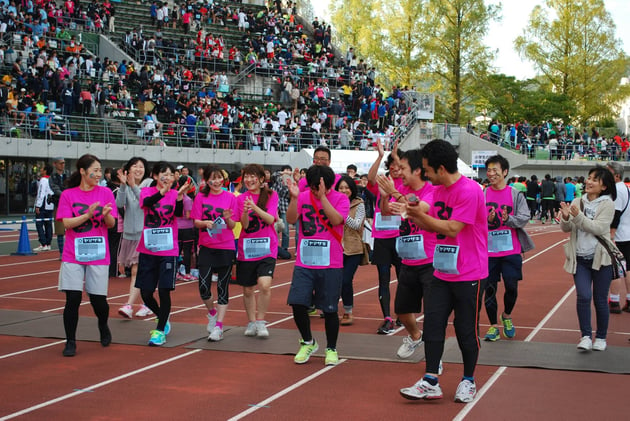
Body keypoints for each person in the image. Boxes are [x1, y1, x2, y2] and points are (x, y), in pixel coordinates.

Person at [399, 139, 488, 403]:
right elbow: (428, 218)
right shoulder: (437, 190)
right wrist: (409, 210)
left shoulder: (470, 191)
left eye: (427, 169)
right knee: (434, 324)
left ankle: (468, 380)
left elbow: (451, 228)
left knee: (465, 329)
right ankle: (430, 380)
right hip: (441, 270)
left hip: (469, 273)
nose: (424, 174)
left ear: (440, 169)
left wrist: (418, 216)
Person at [286, 165, 350, 366]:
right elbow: (290, 219)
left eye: (319, 187)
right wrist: (295, 198)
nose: (315, 191)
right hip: (305, 261)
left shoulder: (341, 198)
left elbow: (337, 219)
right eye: (313, 188)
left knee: (329, 309)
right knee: (297, 302)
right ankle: (307, 341)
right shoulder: (303, 196)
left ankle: (331, 348)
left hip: (331, 261)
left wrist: (322, 197)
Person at [56, 154, 117, 357]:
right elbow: (64, 224)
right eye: (95, 170)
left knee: (98, 300)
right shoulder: (68, 195)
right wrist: (88, 215)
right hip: (73, 252)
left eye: (100, 170)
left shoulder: (106, 192)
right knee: (72, 298)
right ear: (82, 171)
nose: (98, 174)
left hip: (98, 253)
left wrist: (106, 213)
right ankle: (70, 341)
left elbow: (112, 224)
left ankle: (103, 324)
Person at [379, 148, 436, 359]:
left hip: (430, 261)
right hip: (407, 260)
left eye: (403, 168)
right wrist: (386, 197)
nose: (398, 172)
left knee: (433, 314)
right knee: (402, 310)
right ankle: (415, 336)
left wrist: (394, 193)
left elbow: (419, 209)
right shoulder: (400, 187)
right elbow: (386, 213)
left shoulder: (431, 190)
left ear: (418, 170)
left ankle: (434, 357)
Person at [559, 166, 616, 351]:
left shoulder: (607, 204)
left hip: (601, 259)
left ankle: (601, 337)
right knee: (583, 296)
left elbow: (598, 228)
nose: (588, 182)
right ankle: (585, 336)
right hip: (580, 259)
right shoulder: (577, 200)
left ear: (604, 186)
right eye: (589, 178)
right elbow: (567, 228)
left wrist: (577, 217)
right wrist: (566, 218)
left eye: (594, 179)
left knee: (600, 299)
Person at [135, 161, 190, 346]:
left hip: (168, 248)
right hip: (148, 248)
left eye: (170, 173)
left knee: (165, 290)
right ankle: (162, 317)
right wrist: (162, 192)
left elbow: (179, 214)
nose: (167, 176)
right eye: (163, 173)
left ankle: (159, 331)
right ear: (155, 176)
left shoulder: (176, 194)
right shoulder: (147, 192)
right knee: (146, 292)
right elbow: (147, 204)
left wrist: (180, 197)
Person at [481, 155, 533, 342]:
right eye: (489, 170)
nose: (491, 174)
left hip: (511, 249)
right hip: (489, 251)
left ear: (504, 172)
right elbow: (475, 218)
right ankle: (494, 326)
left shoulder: (515, 194)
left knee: (511, 286)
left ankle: (507, 315)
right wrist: (487, 221)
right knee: (490, 288)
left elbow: (524, 217)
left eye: (495, 170)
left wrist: (506, 219)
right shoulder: (483, 193)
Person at [192, 165, 238, 341]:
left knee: (222, 288)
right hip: (207, 246)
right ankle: (212, 312)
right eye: (213, 178)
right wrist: (205, 223)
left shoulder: (230, 198)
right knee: (203, 286)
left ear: (223, 179)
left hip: (225, 246)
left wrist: (227, 218)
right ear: (207, 180)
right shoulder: (201, 197)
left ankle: (219, 325)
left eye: (219, 178)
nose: (216, 181)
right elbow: (196, 221)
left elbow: (233, 225)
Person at [235, 164, 279, 338]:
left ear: (261, 179)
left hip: (267, 248)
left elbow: (270, 219)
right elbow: (244, 225)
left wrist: (255, 207)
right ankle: (251, 321)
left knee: (265, 284)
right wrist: (245, 211)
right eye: (246, 176)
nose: (249, 180)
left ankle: (261, 322)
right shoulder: (240, 198)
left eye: (253, 177)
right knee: (247, 289)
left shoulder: (271, 195)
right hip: (247, 249)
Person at [367, 138, 402, 333]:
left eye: (399, 165)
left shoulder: (406, 184)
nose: (396, 168)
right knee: (383, 278)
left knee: (403, 279)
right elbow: (370, 179)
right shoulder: (382, 181)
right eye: (392, 165)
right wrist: (380, 156)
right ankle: (387, 317)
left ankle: (403, 314)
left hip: (400, 238)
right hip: (382, 238)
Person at [116, 157, 153, 319]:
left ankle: (129, 304)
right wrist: (124, 185)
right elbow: (119, 203)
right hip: (129, 235)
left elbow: (144, 202)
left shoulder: (149, 184)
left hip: (144, 234)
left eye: (141, 167)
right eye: (134, 166)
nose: (138, 169)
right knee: (141, 272)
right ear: (128, 169)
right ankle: (147, 303)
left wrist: (132, 185)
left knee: (137, 271)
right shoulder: (125, 186)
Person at [336, 175, 365, 325]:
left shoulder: (359, 204)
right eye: (340, 188)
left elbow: (356, 225)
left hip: (353, 248)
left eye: (346, 187)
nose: (343, 190)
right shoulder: (331, 202)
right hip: (336, 246)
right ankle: (330, 307)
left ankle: (348, 311)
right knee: (333, 280)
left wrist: (342, 211)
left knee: (346, 280)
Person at [605, 162, 630, 313]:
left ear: (616, 175)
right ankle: (628, 298)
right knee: (627, 268)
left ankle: (614, 301)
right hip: (626, 234)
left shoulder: (616, 190)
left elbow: (616, 214)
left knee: (614, 268)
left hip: (619, 236)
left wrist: (611, 234)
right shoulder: (625, 189)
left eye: (607, 172)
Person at [49, 156, 69, 258]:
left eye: (64, 163)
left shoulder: (67, 175)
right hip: (59, 204)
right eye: (61, 163)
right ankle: (62, 253)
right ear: (55, 164)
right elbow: (55, 188)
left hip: (69, 204)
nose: (63, 165)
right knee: (60, 230)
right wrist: (65, 195)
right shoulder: (52, 177)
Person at [34, 164, 55, 252]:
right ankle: (48, 243)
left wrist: (38, 205)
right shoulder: (52, 180)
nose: (41, 170)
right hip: (50, 204)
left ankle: (43, 243)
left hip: (43, 203)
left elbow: (41, 193)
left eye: (42, 169)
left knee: (39, 223)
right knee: (48, 224)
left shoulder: (43, 180)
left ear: (45, 171)